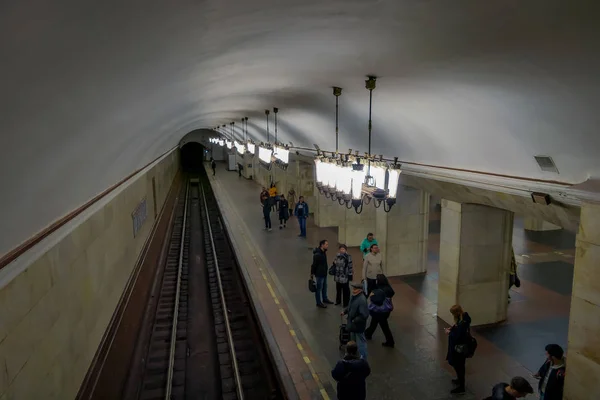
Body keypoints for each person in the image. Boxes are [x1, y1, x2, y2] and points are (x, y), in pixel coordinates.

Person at [445, 304, 472, 394]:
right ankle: (459, 380)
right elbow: (457, 327)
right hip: (461, 348)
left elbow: (457, 337)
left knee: (459, 366)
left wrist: (449, 332)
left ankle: (461, 386)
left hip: (458, 349)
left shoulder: (462, 324)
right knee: (459, 366)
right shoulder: (464, 318)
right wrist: (452, 329)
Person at [364, 274, 395, 348]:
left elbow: (373, 299)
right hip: (387, 311)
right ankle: (368, 334)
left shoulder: (378, 289)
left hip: (379, 311)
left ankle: (390, 342)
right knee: (374, 323)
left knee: (384, 327)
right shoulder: (389, 288)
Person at [341, 282, 369, 360]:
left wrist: (354, 320)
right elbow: (350, 307)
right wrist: (345, 311)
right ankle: (352, 356)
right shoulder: (354, 297)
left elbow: (364, 315)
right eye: (353, 288)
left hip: (358, 326)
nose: (353, 290)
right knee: (353, 341)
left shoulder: (362, 300)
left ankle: (363, 359)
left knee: (361, 343)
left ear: (360, 290)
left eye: (355, 289)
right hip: (352, 325)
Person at [311, 240, 333, 308]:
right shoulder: (317, 255)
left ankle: (325, 298)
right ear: (322, 245)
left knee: (324, 287)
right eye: (326, 244)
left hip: (324, 273)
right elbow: (314, 265)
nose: (327, 246)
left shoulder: (323, 252)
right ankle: (318, 302)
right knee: (319, 288)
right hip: (319, 274)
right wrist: (312, 274)